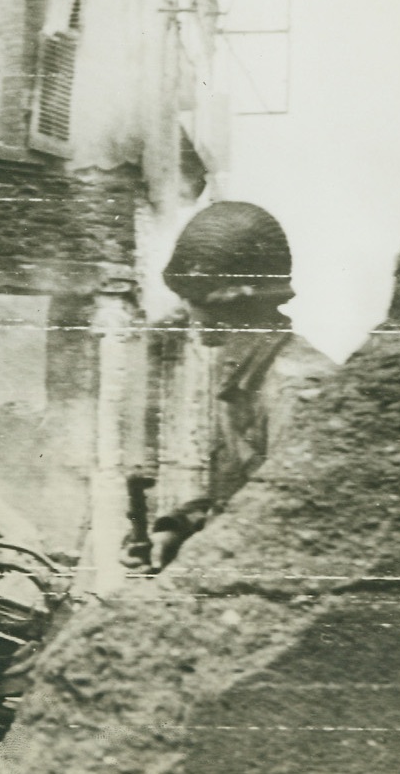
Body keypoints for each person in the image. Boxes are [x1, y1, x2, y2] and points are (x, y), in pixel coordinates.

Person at [122, 202, 334, 573]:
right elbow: (238, 501)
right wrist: (177, 533)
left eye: (193, 298)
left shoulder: (296, 390)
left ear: (227, 301)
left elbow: (292, 530)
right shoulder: (242, 375)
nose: (188, 312)